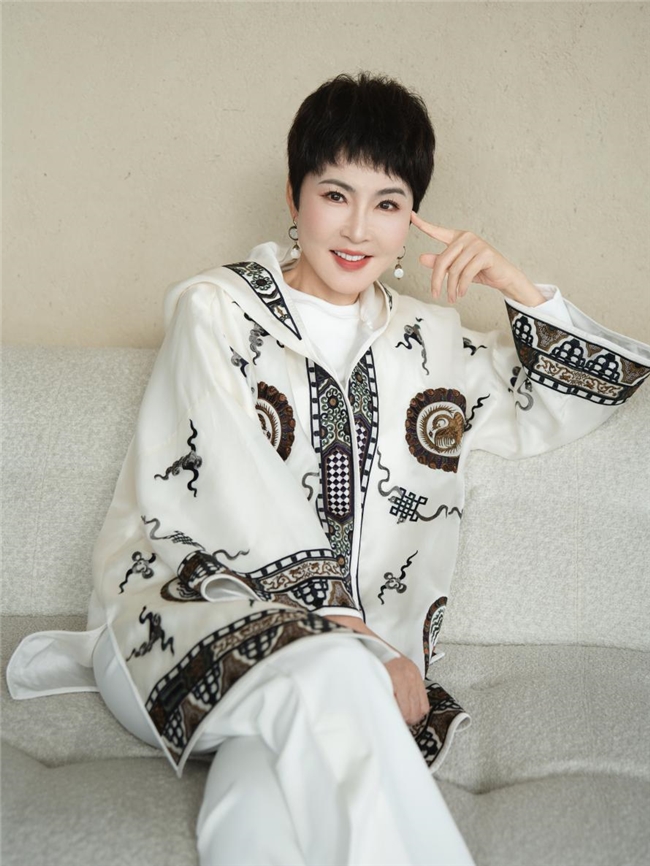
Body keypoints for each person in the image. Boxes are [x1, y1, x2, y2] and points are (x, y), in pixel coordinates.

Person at [7, 72, 650, 866]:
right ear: (294, 195)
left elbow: (571, 398)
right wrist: (362, 640)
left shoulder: (432, 345)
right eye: (335, 194)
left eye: (387, 204)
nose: (357, 228)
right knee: (336, 676)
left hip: (326, 679)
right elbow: (233, 486)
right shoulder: (216, 310)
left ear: (411, 219)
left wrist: (515, 287)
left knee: (254, 799)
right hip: (177, 624)